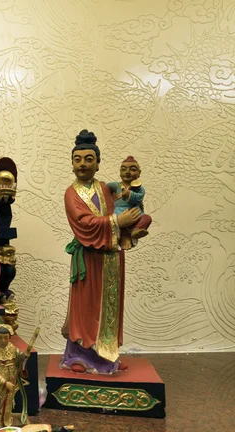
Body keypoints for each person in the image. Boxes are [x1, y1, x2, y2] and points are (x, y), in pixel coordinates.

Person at [60, 130, 140, 374]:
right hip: (88, 257)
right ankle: (78, 355)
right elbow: (83, 223)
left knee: (110, 307)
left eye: (88, 159)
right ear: (72, 163)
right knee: (85, 308)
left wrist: (132, 215)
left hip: (112, 256)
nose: (83, 164)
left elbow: (125, 205)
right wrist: (117, 222)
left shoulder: (106, 188)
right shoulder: (72, 193)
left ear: (97, 163)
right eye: (78, 159)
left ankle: (108, 357)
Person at [0, 326, 29, 428]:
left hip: (11, 379)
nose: (3, 341)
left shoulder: (11, 347)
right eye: (0, 338)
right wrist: (4, 382)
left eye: (6, 337)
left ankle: (7, 419)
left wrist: (24, 356)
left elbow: (18, 359)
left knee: (8, 402)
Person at [107, 156, 152, 250]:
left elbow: (139, 197)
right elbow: (105, 188)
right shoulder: (116, 186)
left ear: (139, 173)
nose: (127, 172)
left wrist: (130, 194)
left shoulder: (139, 189)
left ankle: (136, 231)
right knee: (121, 222)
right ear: (120, 172)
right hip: (120, 210)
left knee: (147, 218)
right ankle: (124, 237)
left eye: (132, 169)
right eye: (123, 169)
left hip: (136, 212)